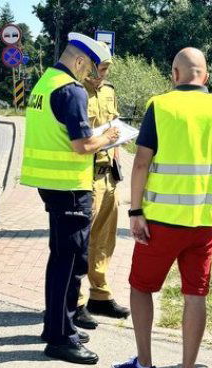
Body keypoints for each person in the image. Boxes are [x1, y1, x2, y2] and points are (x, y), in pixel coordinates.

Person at [114, 47, 212, 368]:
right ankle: (187, 366)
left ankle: (144, 363)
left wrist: (135, 211)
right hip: (205, 224)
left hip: (161, 222)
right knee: (195, 295)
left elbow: (141, 163)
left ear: (174, 75)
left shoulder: (160, 106)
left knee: (141, 288)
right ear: (206, 77)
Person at [21, 32, 119, 365]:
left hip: (51, 184)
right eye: (90, 67)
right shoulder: (70, 90)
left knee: (61, 258)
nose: (91, 75)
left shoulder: (44, 83)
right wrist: (107, 136)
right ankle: (62, 337)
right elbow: (81, 145)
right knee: (70, 262)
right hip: (70, 187)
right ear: (78, 60)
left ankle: (55, 327)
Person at [74, 44, 131, 330]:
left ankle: (99, 295)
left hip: (109, 174)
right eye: (101, 68)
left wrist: (119, 151)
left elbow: (113, 125)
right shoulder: (74, 90)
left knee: (105, 240)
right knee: (81, 242)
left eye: (107, 69)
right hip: (86, 175)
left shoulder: (108, 90)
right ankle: (76, 302)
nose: (103, 74)